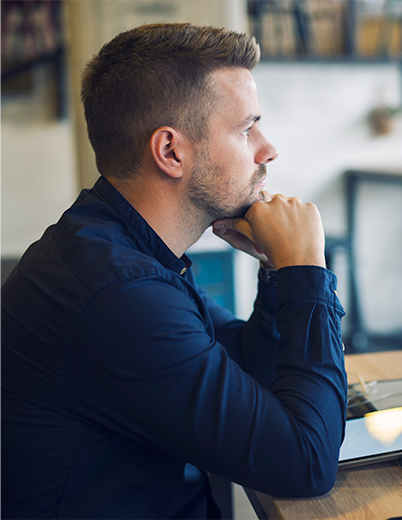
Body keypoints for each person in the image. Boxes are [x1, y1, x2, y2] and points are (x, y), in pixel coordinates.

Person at [0, 23, 347, 519]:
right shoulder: (117, 295)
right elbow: (306, 464)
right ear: (170, 151)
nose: (267, 148)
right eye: (246, 129)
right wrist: (305, 270)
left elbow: (250, 374)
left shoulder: (116, 249)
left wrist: (277, 272)